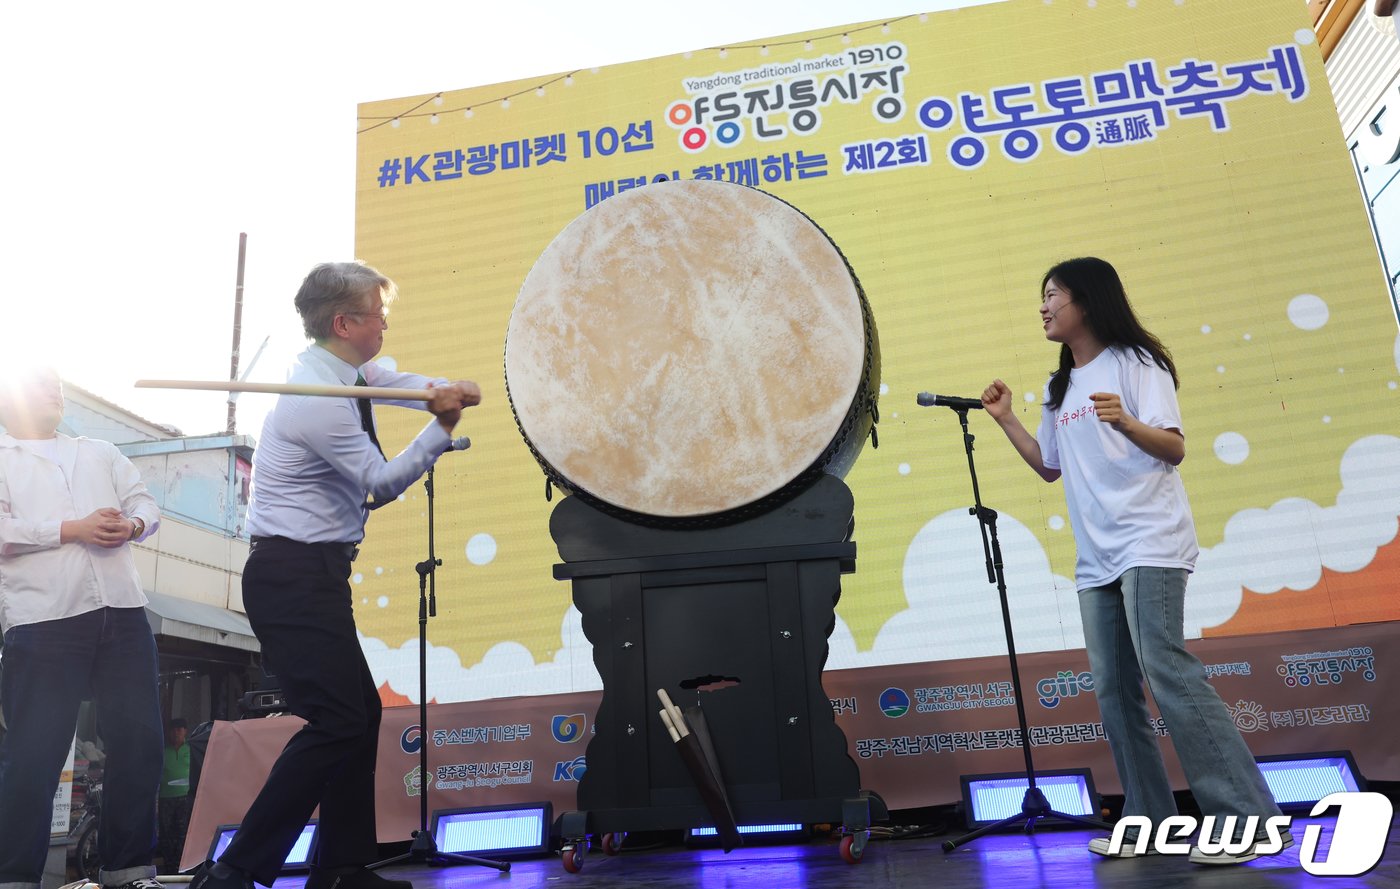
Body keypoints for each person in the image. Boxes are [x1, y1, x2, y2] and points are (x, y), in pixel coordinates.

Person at [979, 257, 1287, 866]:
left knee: (1166, 670)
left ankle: (1247, 820)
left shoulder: (1137, 363)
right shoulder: (1059, 386)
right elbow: (1049, 465)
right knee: (1115, 691)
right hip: (1096, 557)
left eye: (1052, 296)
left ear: (1087, 301)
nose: (1043, 307)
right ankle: (1151, 821)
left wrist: (1125, 420)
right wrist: (1007, 419)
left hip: (1149, 541)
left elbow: (1173, 446)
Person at [192, 262, 480, 889]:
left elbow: (389, 380)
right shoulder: (315, 402)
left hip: (313, 575)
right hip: (290, 576)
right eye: (379, 314)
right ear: (345, 323)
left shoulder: (344, 374)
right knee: (337, 719)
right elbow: (379, 483)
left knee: (360, 715)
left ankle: (342, 868)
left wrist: (441, 388)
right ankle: (235, 870)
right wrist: (442, 425)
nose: (385, 325)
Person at [0, 366, 164, 889]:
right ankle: (14, 877)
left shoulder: (100, 451)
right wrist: (74, 529)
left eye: (57, 385)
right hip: (43, 617)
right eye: (38, 383)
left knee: (140, 742)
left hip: (123, 609)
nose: (53, 390)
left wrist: (132, 525)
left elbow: (144, 503)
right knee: (34, 753)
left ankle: (128, 870)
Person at [159, 718, 192, 869]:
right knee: (166, 832)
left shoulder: (190, 749)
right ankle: (169, 865)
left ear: (185, 731)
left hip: (185, 797)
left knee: (183, 831)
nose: (176, 733)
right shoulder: (162, 750)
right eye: (173, 730)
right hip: (166, 797)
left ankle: (182, 865)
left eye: (179, 729)